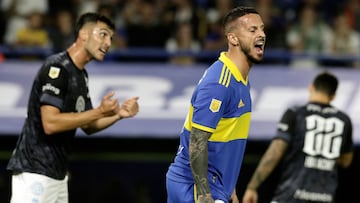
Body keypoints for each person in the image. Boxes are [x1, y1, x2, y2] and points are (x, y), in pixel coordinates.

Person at [6, 12, 140, 203]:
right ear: (83, 34)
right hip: (35, 172)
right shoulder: (57, 68)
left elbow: (89, 125)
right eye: (103, 34)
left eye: (111, 37)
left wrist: (118, 114)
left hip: (58, 175)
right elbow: (50, 123)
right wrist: (100, 111)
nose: (108, 43)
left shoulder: (81, 76)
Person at [166, 6, 266, 203]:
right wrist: (204, 194)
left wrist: (230, 188)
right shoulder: (219, 83)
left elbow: (226, 138)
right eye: (252, 30)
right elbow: (197, 141)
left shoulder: (240, 79)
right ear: (233, 39)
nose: (262, 34)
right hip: (194, 186)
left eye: (262, 29)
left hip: (216, 187)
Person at [242, 72, 354, 203]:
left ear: (311, 87)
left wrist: (252, 187)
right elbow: (346, 161)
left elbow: (275, 153)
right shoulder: (344, 120)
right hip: (324, 197)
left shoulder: (295, 113)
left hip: (290, 196)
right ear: (333, 96)